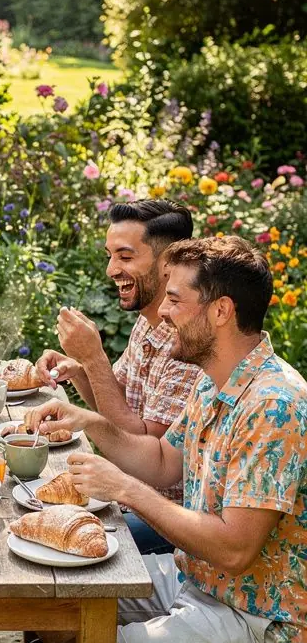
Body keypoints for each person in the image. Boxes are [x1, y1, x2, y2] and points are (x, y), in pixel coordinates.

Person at [26, 236, 307, 643]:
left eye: (176, 300)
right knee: (52, 602)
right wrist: (88, 421)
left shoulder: (276, 405)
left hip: (264, 625)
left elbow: (235, 546)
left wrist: (125, 492)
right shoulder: (219, 383)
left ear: (221, 311)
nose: (162, 314)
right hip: (200, 584)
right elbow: (159, 460)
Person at [30, 199, 201, 555]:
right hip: (123, 495)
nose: (111, 269)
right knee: (32, 505)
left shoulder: (188, 344)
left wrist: (94, 358)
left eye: (125, 257)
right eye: (110, 256)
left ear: (168, 263)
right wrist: (78, 368)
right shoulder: (148, 322)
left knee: (51, 536)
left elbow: (141, 448)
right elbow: (115, 398)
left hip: (165, 517)